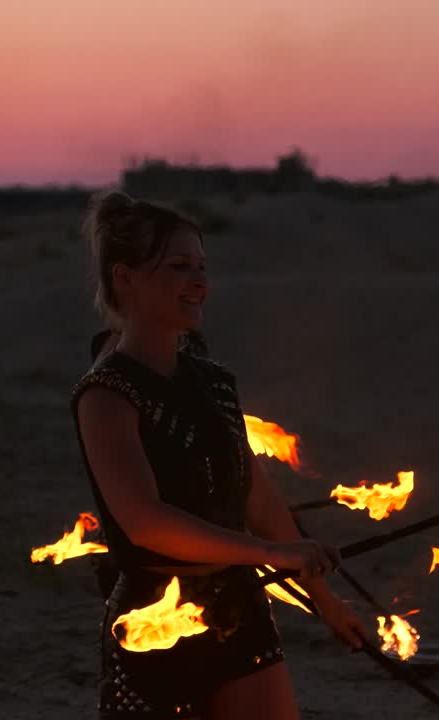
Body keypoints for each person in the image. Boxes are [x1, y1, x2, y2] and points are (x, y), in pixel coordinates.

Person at [71, 190, 370, 719]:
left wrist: (327, 602)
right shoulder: (106, 395)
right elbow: (146, 524)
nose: (198, 281)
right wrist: (275, 557)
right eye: (178, 267)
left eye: (202, 266)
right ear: (126, 278)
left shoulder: (212, 382)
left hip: (239, 612)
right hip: (154, 626)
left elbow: (257, 498)